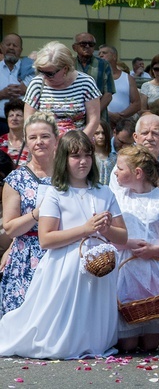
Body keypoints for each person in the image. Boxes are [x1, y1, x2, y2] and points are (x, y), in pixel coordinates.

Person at [0, 131, 127, 359]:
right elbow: (46, 239)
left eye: (87, 155)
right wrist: (85, 230)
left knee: (92, 314)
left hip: (100, 265)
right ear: (64, 160)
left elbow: (123, 237)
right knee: (60, 324)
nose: (83, 161)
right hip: (64, 266)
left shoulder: (105, 192)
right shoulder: (55, 193)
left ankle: (92, 342)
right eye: (75, 156)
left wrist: (106, 229)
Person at [113, 145, 159, 352]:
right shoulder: (118, 197)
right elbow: (110, 237)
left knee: (151, 344)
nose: (115, 171)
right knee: (127, 343)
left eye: (120, 168)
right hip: (126, 268)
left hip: (154, 269)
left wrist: (153, 249)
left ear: (137, 173)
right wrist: (127, 244)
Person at [0, 112, 57, 314]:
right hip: (26, 255)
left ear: (55, 139)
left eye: (45, 136)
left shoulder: (67, 176)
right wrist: (38, 213)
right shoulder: (16, 179)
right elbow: (10, 227)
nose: (39, 142)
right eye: (33, 137)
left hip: (59, 254)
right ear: (26, 141)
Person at [23, 41, 101, 139]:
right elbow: (28, 122)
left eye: (50, 73)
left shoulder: (85, 83)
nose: (44, 77)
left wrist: (79, 144)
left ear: (65, 69)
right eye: (41, 71)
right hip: (46, 147)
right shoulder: (37, 84)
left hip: (78, 147)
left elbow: (93, 120)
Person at [73, 33, 115, 121]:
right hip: (74, 117)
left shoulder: (103, 65)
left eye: (91, 44)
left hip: (99, 118)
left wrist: (93, 113)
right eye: (83, 44)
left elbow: (108, 94)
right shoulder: (69, 65)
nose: (87, 46)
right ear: (74, 47)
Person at [97, 45, 140, 125]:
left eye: (104, 53)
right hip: (102, 124)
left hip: (123, 124)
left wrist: (120, 116)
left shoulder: (128, 78)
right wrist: (109, 115)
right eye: (99, 53)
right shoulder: (95, 78)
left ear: (114, 56)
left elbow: (136, 103)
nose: (100, 55)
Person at [0, 33, 33, 135]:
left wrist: (27, 91)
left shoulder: (30, 71)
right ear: (1, 47)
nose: (11, 48)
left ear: (21, 50)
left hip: (23, 125)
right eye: (8, 44)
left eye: (15, 45)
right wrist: (2, 94)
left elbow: (42, 94)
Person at [0, 98, 29, 167]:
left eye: (18, 115)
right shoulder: (1, 141)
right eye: (11, 115)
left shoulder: (31, 142)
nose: (14, 118)